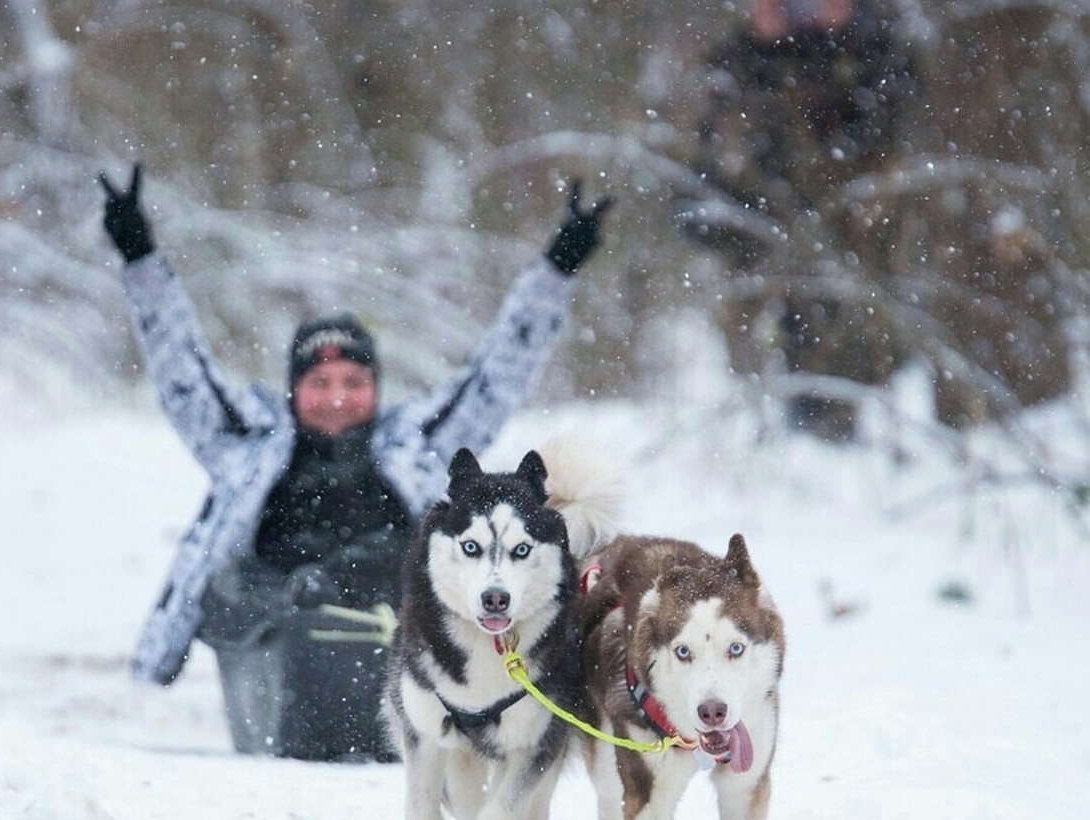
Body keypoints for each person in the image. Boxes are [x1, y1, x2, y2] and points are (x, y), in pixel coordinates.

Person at [99, 164, 613, 761]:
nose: (338, 396)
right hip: (281, 630)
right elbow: (182, 368)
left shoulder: (416, 445)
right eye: (319, 381)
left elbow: (496, 376)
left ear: (376, 386)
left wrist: (556, 270)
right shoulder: (247, 445)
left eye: (354, 380)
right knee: (265, 593)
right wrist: (140, 260)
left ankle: (415, 727)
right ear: (293, 390)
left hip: (390, 623)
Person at [677, 0, 919, 441]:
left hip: (847, 236)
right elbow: (706, 155)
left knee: (852, 338)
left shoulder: (871, 51)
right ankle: (792, 427)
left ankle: (840, 430)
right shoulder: (742, 60)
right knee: (779, 335)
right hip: (767, 237)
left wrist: (844, 33)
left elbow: (885, 123)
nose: (799, 13)